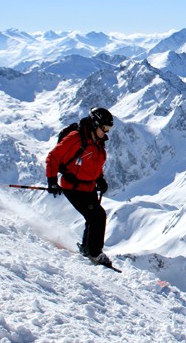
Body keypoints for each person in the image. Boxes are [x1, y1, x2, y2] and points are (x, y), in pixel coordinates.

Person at [45, 107, 114, 266]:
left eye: (108, 129)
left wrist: (100, 178)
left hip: (88, 187)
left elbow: (94, 163)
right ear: (95, 124)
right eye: (105, 128)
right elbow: (53, 157)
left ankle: (86, 248)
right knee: (98, 216)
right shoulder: (75, 138)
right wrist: (52, 180)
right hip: (73, 186)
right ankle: (95, 254)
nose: (106, 132)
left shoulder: (98, 142)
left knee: (93, 217)